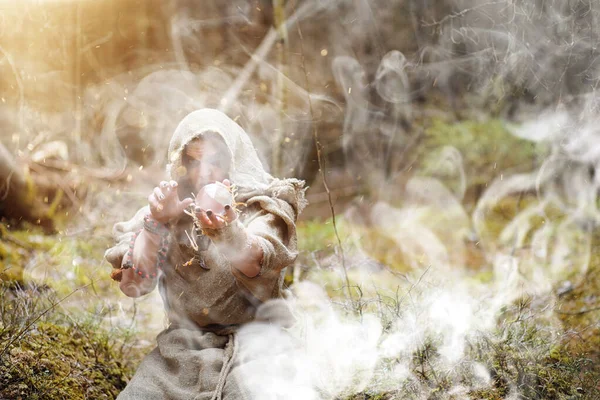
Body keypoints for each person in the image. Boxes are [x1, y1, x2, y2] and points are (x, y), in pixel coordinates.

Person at [104, 109, 307, 400]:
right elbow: (133, 284)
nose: (204, 172)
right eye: (193, 161)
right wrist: (156, 226)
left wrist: (228, 231)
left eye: (215, 161)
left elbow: (257, 261)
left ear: (232, 159)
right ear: (181, 162)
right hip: (179, 354)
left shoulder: (264, 206)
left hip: (259, 350)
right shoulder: (166, 208)